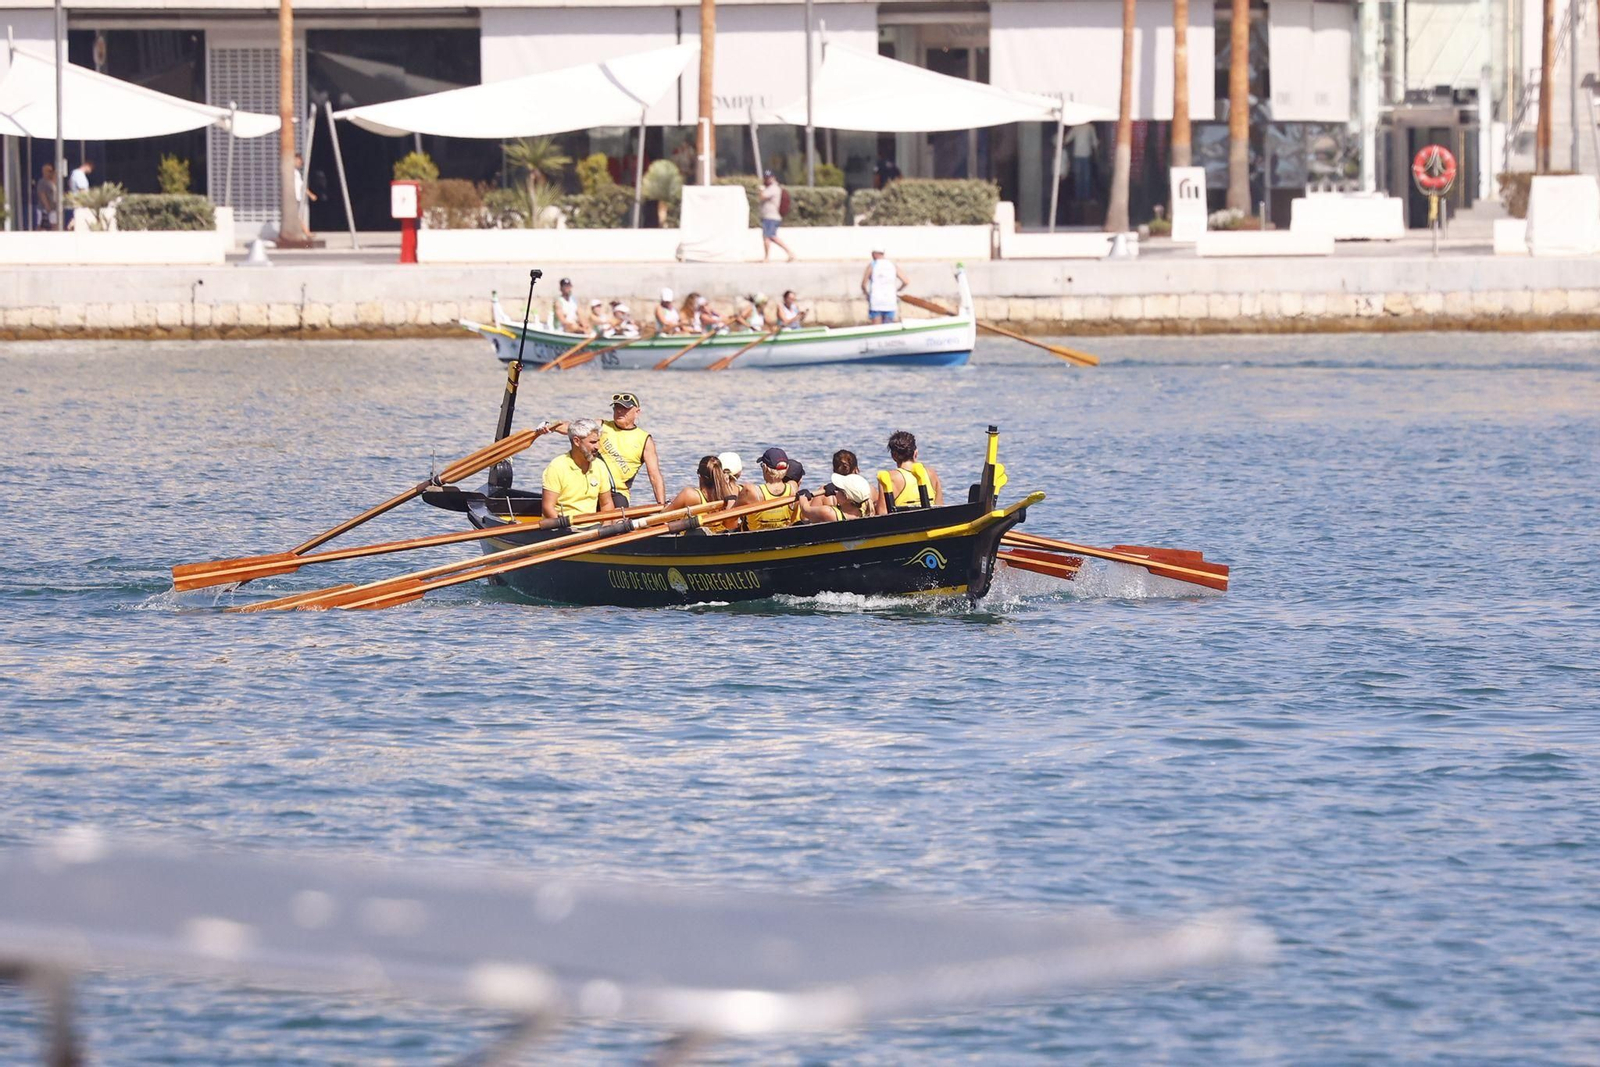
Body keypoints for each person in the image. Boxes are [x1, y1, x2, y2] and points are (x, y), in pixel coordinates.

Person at [597, 391, 665, 507]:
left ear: (637, 412)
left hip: (617, 493)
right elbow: (574, 428)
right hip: (592, 489)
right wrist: (556, 426)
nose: (619, 411)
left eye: (624, 408)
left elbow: (654, 475)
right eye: (617, 407)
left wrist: (661, 505)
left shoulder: (645, 439)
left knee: (617, 518)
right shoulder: (600, 425)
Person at [541, 418, 617, 519]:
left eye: (598, 441)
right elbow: (547, 507)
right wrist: (564, 527)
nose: (598, 447)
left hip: (591, 527)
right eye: (593, 442)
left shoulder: (600, 466)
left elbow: (606, 504)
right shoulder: (557, 466)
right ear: (576, 441)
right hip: (563, 527)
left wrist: (607, 526)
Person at [666, 455, 741, 532]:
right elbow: (731, 525)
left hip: (693, 540)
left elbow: (663, 518)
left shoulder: (690, 495)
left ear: (699, 475)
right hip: (719, 537)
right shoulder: (729, 495)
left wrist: (672, 503)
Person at [876, 430, 944, 511]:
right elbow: (940, 509)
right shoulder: (932, 474)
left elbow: (882, 513)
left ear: (893, 456)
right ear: (915, 453)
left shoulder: (889, 478)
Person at [737, 447, 799, 530]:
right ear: (787, 468)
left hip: (754, 540)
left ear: (765, 468)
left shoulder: (751, 491)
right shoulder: (793, 488)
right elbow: (793, 520)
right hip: (782, 537)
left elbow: (730, 522)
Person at [800, 472, 876, 523]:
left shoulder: (828, 512)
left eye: (838, 489)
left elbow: (806, 510)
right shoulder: (863, 510)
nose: (836, 491)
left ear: (845, 498)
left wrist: (803, 497)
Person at [861, 247, 909, 324]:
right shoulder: (892, 265)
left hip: (876, 301)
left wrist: (866, 294)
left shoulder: (872, 265)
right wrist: (897, 290)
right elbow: (906, 281)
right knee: (888, 328)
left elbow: (863, 284)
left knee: (877, 330)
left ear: (874, 254)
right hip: (890, 300)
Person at [759, 171, 795, 262]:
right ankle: (767, 257)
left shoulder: (773, 188)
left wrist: (761, 190)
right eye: (766, 177)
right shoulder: (771, 188)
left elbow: (762, 196)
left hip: (772, 216)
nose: (768, 179)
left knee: (771, 236)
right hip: (768, 216)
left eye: (769, 177)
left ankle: (790, 252)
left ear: (773, 178)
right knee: (767, 237)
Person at [293, 153, 316, 230]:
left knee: (296, 216)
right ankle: (306, 231)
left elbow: (301, 186)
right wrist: (311, 195)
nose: (300, 164)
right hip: (292, 197)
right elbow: (302, 186)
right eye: (299, 162)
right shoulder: (292, 172)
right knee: (296, 216)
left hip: (296, 197)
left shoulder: (296, 173)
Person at [35, 164, 57, 230]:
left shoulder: (52, 182)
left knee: (54, 224)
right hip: (44, 208)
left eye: (51, 171)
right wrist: (47, 206)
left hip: (53, 208)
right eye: (49, 171)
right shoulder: (42, 182)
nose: (50, 173)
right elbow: (42, 194)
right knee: (41, 225)